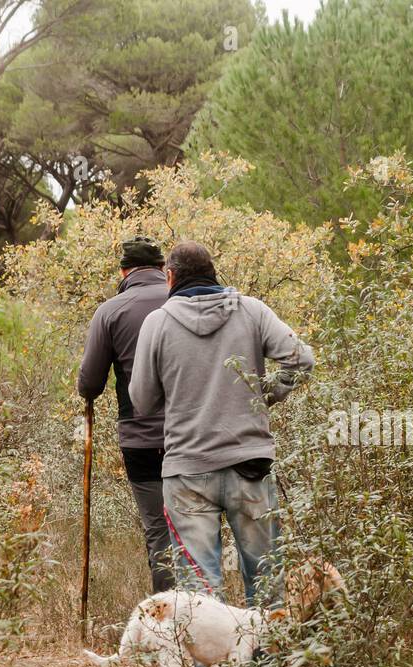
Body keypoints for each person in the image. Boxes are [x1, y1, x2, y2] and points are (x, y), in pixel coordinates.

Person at [129, 241, 313, 606]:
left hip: (187, 473)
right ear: (213, 272)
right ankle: (264, 664)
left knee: (200, 594)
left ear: (170, 277)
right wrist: (268, 394)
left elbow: (142, 401)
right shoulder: (251, 310)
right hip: (251, 465)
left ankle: (209, 666)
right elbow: (302, 359)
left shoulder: (157, 323)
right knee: (266, 583)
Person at [77, 236, 176, 594]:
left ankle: (169, 630)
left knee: (158, 534)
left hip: (142, 440)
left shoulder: (111, 310)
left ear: (123, 271)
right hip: (196, 437)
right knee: (198, 532)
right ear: (164, 269)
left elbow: (90, 385)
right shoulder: (183, 302)